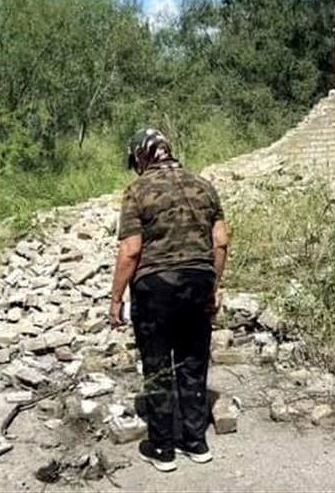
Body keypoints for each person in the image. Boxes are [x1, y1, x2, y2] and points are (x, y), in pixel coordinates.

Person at [109, 128, 230, 473]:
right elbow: (220, 242)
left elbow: (131, 251)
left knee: (159, 364)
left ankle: (162, 449)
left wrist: (115, 299)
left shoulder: (137, 190)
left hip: (155, 288)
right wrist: (213, 286)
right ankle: (196, 442)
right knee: (193, 360)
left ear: (141, 157)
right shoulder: (204, 186)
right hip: (197, 281)